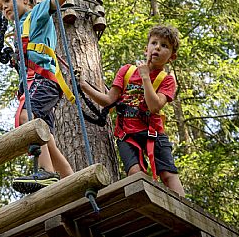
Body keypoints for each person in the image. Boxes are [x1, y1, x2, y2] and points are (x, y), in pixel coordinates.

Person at [0, 0, 74, 194]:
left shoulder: (37, 13)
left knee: (26, 118)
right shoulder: (20, 29)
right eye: (1, 6)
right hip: (34, 81)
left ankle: (47, 174)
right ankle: (72, 181)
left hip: (43, 79)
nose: (4, 7)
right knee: (44, 134)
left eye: (8, 0)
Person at [79, 25, 185, 196]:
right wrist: (84, 86)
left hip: (153, 132)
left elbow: (154, 106)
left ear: (171, 57)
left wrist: (145, 77)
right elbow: (108, 100)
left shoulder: (166, 80)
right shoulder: (127, 71)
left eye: (164, 45)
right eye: (154, 43)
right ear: (146, 49)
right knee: (135, 172)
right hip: (126, 133)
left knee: (167, 174)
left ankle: (184, 210)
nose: (157, 47)